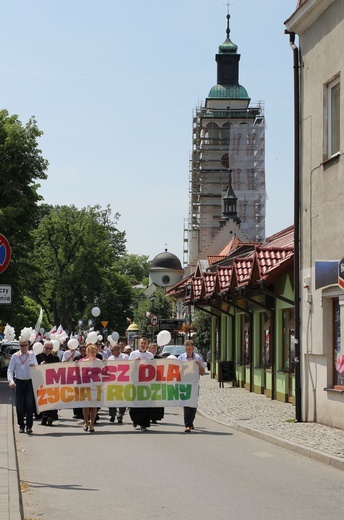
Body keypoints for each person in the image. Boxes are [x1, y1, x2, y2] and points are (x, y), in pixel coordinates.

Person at [7, 338, 38, 434]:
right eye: (21, 345)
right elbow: (10, 370)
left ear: (28, 345)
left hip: (29, 382)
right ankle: (21, 425)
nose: (23, 347)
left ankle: (29, 426)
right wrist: (11, 381)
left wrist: (34, 367)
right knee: (19, 406)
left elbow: (37, 367)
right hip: (19, 382)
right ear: (19, 346)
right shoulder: (15, 356)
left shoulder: (32, 355)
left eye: (25, 345)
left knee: (29, 405)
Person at [178, 339, 205, 432]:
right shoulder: (181, 358)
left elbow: (202, 373)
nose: (188, 351)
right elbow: (177, 372)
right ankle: (187, 424)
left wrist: (199, 366)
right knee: (186, 403)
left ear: (193, 348)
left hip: (194, 383)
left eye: (190, 349)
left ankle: (191, 422)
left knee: (193, 404)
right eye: (186, 349)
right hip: (184, 383)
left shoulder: (198, 358)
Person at [129, 337, 154, 432]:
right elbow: (128, 367)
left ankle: (144, 424)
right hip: (136, 381)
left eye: (145, 343)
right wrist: (135, 362)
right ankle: (135, 420)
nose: (143, 345)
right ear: (138, 344)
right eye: (141, 343)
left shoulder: (150, 355)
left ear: (147, 345)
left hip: (146, 383)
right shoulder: (133, 354)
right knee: (135, 404)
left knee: (145, 404)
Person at [78, 344, 103, 432]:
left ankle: (92, 423)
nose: (92, 353)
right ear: (87, 353)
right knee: (86, 405)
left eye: (94, 352)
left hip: (96, 386)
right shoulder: (82, 361)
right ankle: (85, 422)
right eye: (90, 352)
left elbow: (104, 373)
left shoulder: (99, 362)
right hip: (85, 386)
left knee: (94, 406)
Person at [36, 341, 60, 426]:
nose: (48, 350)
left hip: (52, 382)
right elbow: (33, 369)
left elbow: (60, 369)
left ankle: (50, 416)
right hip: (41, 382)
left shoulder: (56, 358)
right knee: (44, 400)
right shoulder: (38, 357)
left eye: (50, 348)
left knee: (52, 400)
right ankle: (44, 417)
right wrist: (39, 365)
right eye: (46, 348)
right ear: (43, 348)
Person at [108, 343, 129, 423]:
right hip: (113, 382)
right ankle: (113, 415)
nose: (111, 351)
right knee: (112, 399)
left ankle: (120, 415)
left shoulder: (125, 357)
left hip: (123, 382)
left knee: (121, 399)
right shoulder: (110, 358)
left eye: (113, 350)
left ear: (118, 350)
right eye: (111, 350)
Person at [148, 342, 164, 424]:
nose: (153, 350)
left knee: (156, 400)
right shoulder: (146, 357)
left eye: (155, 348)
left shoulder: (160, 358)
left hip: (157, 381)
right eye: (152, 348)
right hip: (147, 382)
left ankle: (154, 417)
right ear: (149, 348)